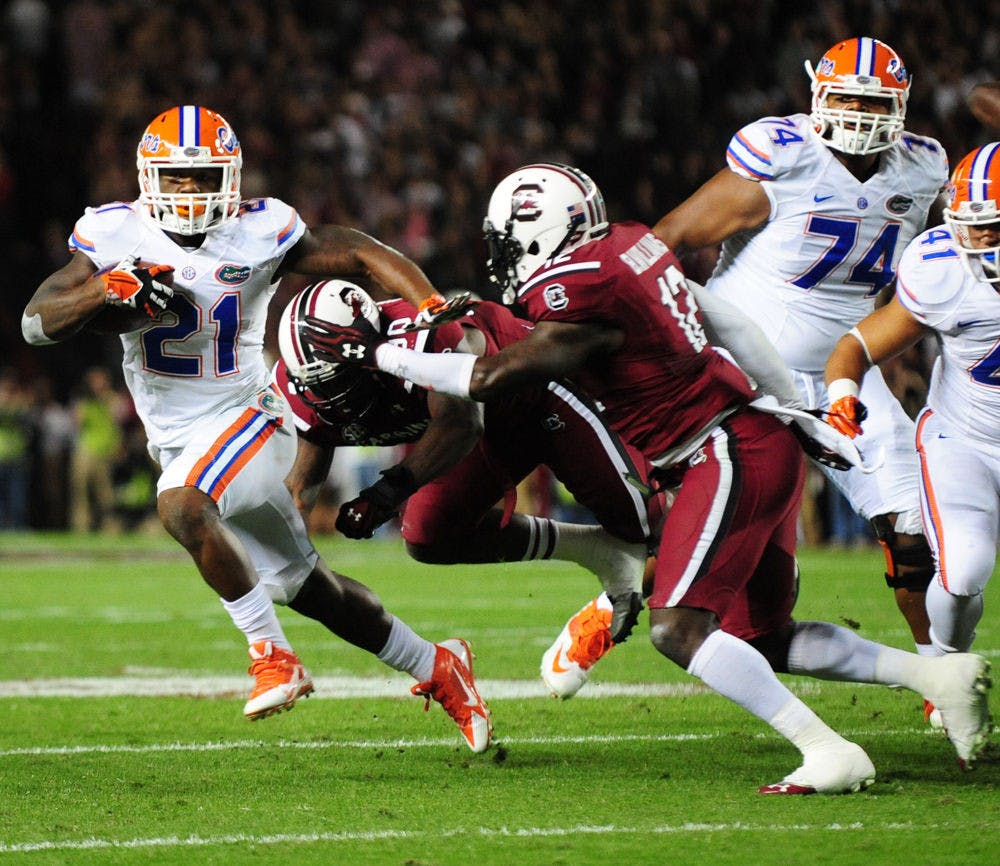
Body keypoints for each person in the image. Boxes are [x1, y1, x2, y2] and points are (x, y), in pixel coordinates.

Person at [304, 161, 992, 791]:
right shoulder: (629, 244)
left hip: (721, 451)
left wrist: (382, 357)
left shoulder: (577, 287)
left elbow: (490, 376)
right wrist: (793, 403)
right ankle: (936, 672)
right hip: (750, 436)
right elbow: (725, 317)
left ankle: (827, 749)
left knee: (678, 628)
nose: (503, 257)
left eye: (509, 242)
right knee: (759, 637)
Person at [21, 105, 491, 752]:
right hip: (180, 440)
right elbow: (35, 321)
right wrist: (105, 292)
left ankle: (272, 656)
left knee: (183, 506)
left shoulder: (257, 229)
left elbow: (358, 251)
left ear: (232, 175)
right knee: (309, 588)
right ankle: (438, 665)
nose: (191, 191)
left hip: (250, 418)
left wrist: (430, 303)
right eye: (178, 178)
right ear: (148, 177)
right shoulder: (111, 233)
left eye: (206, 176)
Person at [651, 37, 948, 679]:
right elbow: (664, 241)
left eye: (873, 101)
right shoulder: (784, 160)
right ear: (817, 95)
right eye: (845, 97)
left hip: (846, 376)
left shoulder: (923, 168)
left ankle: (939, 673)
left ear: (901, 104)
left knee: (914, 531)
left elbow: (921, 270)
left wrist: (889, 347)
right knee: (707, 526)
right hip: (746, 377)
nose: (860, 114)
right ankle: (606, 605)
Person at [276, 279, 665, 698]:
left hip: (537, 393)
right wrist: (276, 559)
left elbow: (461, 423)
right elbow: (298, 494)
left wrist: (386, 494)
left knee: (652, 526)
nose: (330, 395)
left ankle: (620, 597)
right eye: (318, 384)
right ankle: (598, 553)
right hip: (485, 434)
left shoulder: (417, 332)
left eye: (339, 376)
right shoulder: (303, 387)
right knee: (429, 535)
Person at [825, 142, 1000, 665]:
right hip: (964, 439)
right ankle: (948, 670)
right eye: (970, 224)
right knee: (965, 568)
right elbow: (856, 345)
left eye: (992, 226)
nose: (976, 241)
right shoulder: (943, 268)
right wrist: (842, 395)